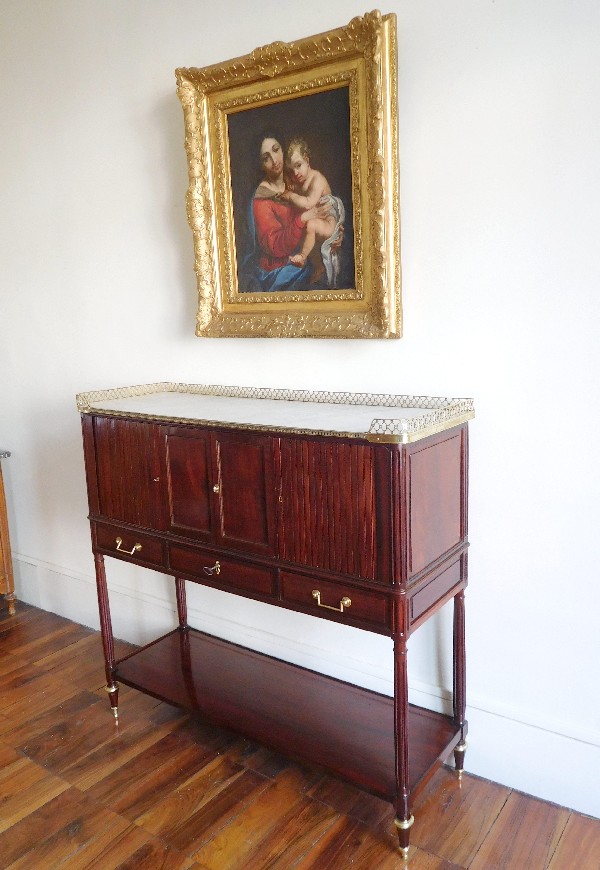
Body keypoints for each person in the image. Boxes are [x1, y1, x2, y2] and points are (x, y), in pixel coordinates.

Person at [238, 133, 340, 293]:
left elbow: (325, 210)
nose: (274, 160)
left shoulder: (294, 180)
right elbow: (274, 246)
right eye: (266, 158)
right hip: (281, 269)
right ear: (261, 165)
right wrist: (304, 218)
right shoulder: (262, 198)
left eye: (276, 150)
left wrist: (333, 236)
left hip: (308, 260)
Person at [279, 137, 345, 288]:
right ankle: (317, 266)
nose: (295, 173)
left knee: (311, 225)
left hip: (329, 224)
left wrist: (290, 196)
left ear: (307, 160)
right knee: (309, 229)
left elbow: (309, 203)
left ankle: (302, 257)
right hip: (317, 225)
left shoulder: (317, 179)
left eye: (298, 165)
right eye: (291, 169)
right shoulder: (298, 181)